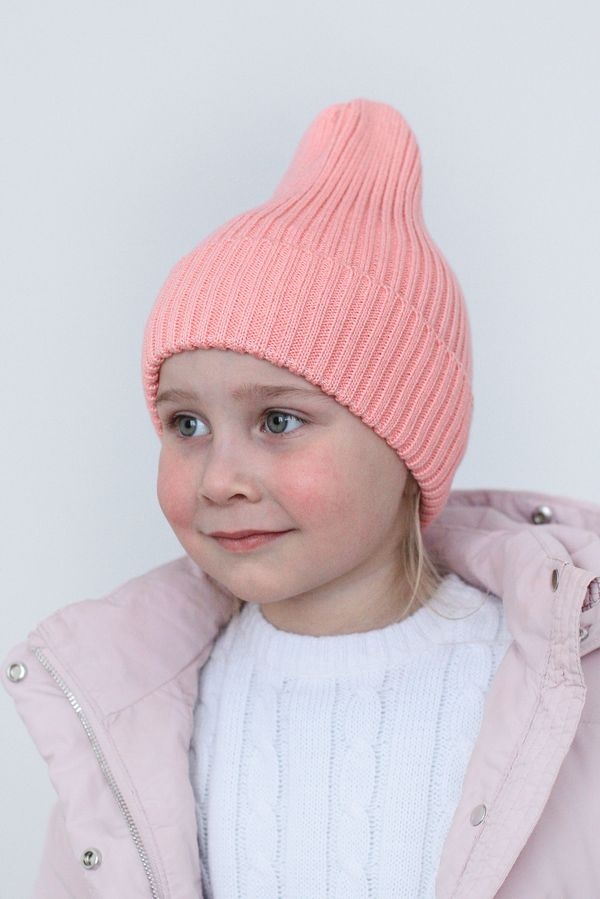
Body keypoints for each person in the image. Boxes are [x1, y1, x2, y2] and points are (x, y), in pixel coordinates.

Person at [3, 99, 600, 899]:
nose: (220, 478)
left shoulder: (558, 693)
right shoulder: (127, 719)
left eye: (278, 420)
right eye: (186, 424)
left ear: (408, 439)